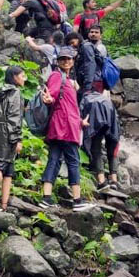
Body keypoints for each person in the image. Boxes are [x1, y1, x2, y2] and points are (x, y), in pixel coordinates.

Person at [38, 47, 93, 212]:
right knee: (73, 161)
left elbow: (68, 105)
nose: (66, 61)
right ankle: (77, 200)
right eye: (62, 59)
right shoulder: (57, 75)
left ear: (73, 61)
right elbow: (52, 95)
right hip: (65, 127)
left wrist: (80, 121)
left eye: (68, 59)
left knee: (54, 159)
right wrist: (48, 99)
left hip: (64, 125)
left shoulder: (67, 79)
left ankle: (46, 198)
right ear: (58, 61)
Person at [0, 66, 27, 212]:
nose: (24, 78)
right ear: (15, 77)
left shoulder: (0, 92)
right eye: (23, 75)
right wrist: (17, 139)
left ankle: (4, 205)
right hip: (8, 134)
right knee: (1, 166)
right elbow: (14, 118)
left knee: (8, 169)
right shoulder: (15, 93)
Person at [81, 91, 121, 190]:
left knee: (96, 148)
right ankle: (114, 179)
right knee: (112, 146)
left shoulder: (85, 97)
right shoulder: (105, 97)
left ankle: (101, 180)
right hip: (110, 115)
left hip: (96, 118)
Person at [65, 31, 98, 101]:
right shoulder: (80, 49)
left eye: (72, 42)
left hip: (93, 82)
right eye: (69, 44)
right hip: (87, 82)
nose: (71, 45)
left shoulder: (86, 47)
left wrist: (88, 85)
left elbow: (90, 64)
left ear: (78, 39)